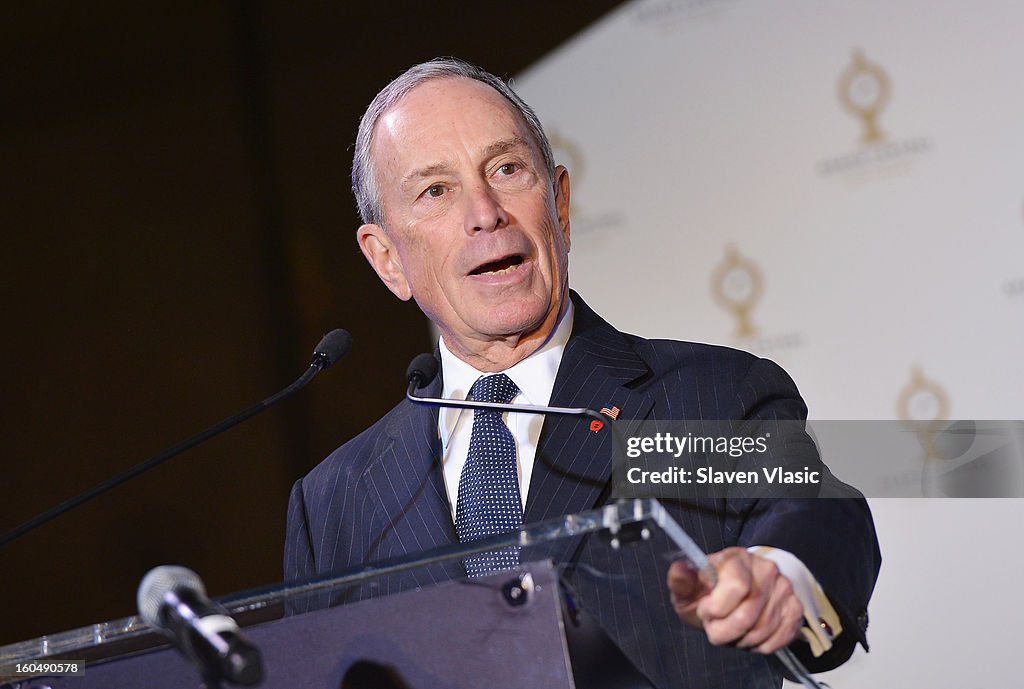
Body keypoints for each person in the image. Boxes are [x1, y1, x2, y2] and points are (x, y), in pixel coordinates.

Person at [284, 58, 880, 689]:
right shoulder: (335, 503)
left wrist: (781, 577)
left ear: (560, 204)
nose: (485, 212)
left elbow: (814, 507)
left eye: (506, 169)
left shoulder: (701, 399)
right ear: (386, 261)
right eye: (436, 191)